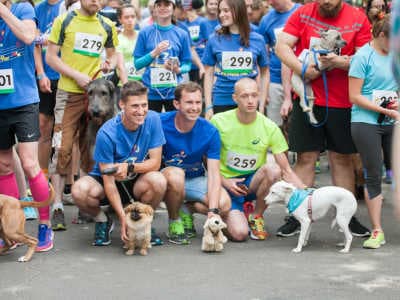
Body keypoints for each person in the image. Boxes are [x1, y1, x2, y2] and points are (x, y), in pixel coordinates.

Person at [275, 0, 372, 237]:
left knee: (342, 158)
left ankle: (347, 217)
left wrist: (340, 62)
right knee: (306, 156)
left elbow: (368, 57)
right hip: (308, 100)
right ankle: (297, 215)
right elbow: (282, 46)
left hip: (344, 100)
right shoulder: (303, 13)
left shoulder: (358, 17)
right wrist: (301, 68)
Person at [45, 0, 119, 224]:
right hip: (69, 94)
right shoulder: (64, 20)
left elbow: (114, 55)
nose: (95, 1)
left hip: (97, 96)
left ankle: (84, 203)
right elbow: (51, 57)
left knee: (90, 150)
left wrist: (109, 63)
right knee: (62, 148)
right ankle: (57, 205)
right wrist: (76, 75)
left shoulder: (107, 25)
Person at [71, 81, 167, 246]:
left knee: (158, 180)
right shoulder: (107, 133)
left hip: (137, 181)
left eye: (144, 105)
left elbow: (155, 163)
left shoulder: (153, 119)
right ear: (122, 104)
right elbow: (108, 183)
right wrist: (123, 220)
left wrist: (129, 167)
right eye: (135, 106)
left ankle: (144, 224)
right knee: (79, 191)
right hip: (108, 183)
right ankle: (103, 220)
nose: (141, 111)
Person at [210, 78, 305, 241]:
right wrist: (225, 181)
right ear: (234, 98)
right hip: (226, 184)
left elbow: (286, 170)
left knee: (273, 170)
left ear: (259, 96)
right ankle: (229, 213)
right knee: (239, 234)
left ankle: (256, 216)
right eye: (244, 96)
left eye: (254, 95)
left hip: (251, 183)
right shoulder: (218, 122)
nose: (250, 101)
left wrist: (306, 191)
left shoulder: (269, 126)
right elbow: (208, 160)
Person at [0, 0, 53, 251]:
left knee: (30, 164)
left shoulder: (22, 9)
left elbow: (29, 35)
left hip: (23, 100)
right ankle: (10, 227)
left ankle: (45, 224)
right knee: (4, 165)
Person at [349, 14, 399, 249]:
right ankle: (377, 230)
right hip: (366, 121)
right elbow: (354, 96)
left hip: (393, 121)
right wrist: (384, 110)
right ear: (381, 36)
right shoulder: (362, 57)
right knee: (372, 174)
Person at [161, 81, 231, 244]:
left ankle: (187, 209)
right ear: (176, 104)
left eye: (198, 102)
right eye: (189, 102)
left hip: (194, 180)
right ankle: (174, 220)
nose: (194, 107)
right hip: (167, 180)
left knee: (224, 205)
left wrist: (213, 211)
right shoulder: (160, 122)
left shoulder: (210, 131)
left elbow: (214, 174)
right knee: (175, 174)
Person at [202, 0, 268, 120]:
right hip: (222, 99)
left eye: (226, 10)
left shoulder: (258, 39)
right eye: (220, 11)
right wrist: (208, 106)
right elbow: (208, 74)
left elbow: (264, 73)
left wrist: (262, 104)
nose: (221, 14)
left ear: (239, 10)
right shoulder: (214, 39)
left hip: (249, 101)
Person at [133, 0, 192, 112]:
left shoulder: (182, 34)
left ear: (173, 8)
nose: (162, 8)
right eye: (159, 5)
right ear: (154, 9)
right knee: (150, 127)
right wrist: (154, 52)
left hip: (174, 92)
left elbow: (187, 64)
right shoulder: (145, 32)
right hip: (151, 92)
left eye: (167, 5)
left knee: (173, 127)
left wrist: (178, 69)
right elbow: (137, 64)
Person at [257, 0, 300, 127]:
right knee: (275, 125)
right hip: (275, 80)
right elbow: (262, 58)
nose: (270, 2)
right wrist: (262, 88)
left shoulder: (301, 12)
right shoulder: (266, 20)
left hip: (301, 77)